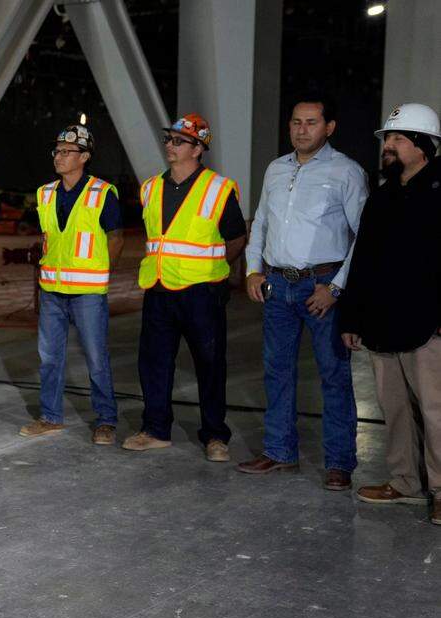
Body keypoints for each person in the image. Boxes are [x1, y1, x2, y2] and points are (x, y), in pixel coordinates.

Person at [237, 95, 367, 490]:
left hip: (321, 287)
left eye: (311, 122)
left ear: (329, 127)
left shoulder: (346, 171)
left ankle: (339, 462)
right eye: (296, 122)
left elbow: (364, 237)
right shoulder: (276, 169)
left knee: (333, 375)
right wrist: (253, 270)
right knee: (277, 371)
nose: (301, 129)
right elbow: (261, 222)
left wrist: (336, 288)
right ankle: (279, 451)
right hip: (277, 286)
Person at [123, 113, 247, 462]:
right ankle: (155, 429)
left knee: (210, 364)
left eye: (179, 141)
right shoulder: (150, 188)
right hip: (159, 288)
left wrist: (212, 269)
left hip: (201, 293)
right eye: (169, 139)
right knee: (154, 363)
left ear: (198, 149)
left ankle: (215, 435)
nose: (170, 145)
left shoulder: (218, 188)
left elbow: (237, 238)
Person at [341, 103, 441, 524]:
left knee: (435, 411)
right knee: (395, 409)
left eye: (398, 139)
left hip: (427, 325)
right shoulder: (382, 196)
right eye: (387, 139)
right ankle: (404, 482)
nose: (389, 146)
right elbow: (362, 260)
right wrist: (351, 318)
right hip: (382, 323)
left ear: (423, 145)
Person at [18, 125, 124, 443]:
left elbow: (116, 239)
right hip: (52, 289)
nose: (59, 156)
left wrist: (101, 274)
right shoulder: (45, 193)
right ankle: (50, 417)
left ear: (85, 157)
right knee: (50, 358)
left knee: (96, 358)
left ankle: (106, 420)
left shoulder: (102, 193)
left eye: (67, 152)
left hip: (87, 292)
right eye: (57, 151)